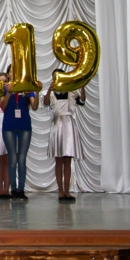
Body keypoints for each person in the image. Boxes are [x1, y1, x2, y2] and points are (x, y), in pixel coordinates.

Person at [44, 69, 86, 202]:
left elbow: (82, 101)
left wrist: (82, 86)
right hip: (58, 124)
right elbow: (45, 102)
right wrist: (49, 90)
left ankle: (67, 190)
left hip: (68, 124)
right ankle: (60, 191)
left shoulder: (71, 91)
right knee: (59, 160)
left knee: (68, 159)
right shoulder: (51, 92)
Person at [0, 66, 39, 201]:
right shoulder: (4, 88)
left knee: (22, 159)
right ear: (8, 74)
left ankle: (21, 189)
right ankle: (13, 190)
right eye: (11, 72)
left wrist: (36, 91)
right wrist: (9, 92)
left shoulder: (26, 88)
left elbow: (34, 107)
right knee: (12, 158)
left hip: (24, 125)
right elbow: (3, 106)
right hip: (9, 125)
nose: (14, 74)